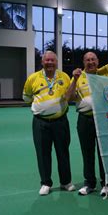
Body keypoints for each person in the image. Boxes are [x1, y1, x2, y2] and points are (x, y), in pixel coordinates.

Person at [68, 25, 108, 197]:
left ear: (97, 62)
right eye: (87, 60)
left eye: (93, 59)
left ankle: (106, 183)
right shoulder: (77, 77)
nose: (91, 62)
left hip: (103, 119)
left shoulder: (104, 72)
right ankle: (89, 183)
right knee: (87, 152)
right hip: (84, 120)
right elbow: (68, 98)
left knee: (104, 152)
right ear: (83, 63)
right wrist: (74, 81)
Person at [22, 51, 75, 195]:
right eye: (47, 60)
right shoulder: (33, 78)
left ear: (56, 62)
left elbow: (70, 95)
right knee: (43, 153)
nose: (50, 62)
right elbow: (26, 98)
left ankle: (66, 182)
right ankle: (46, 183)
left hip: (61, 121)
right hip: (40, 123)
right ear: (42, 62)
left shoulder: (64, 77)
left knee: (63, 152)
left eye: (52, 60)